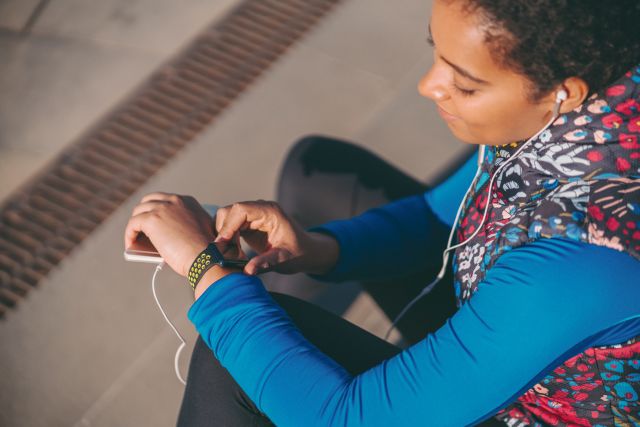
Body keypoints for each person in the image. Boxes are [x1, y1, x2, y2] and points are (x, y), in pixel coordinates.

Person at [124, 0, 640, 425]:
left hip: (528, 409)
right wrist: (319, 249)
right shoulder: (588, 99)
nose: (428, 85)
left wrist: (205, 273)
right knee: (320, 173)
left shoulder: (582, 260)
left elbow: (344, 419)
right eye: (435, 52)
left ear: (561, 93)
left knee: (232, 361)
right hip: (505, 314)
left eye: (465, 84)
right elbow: (442, 213)